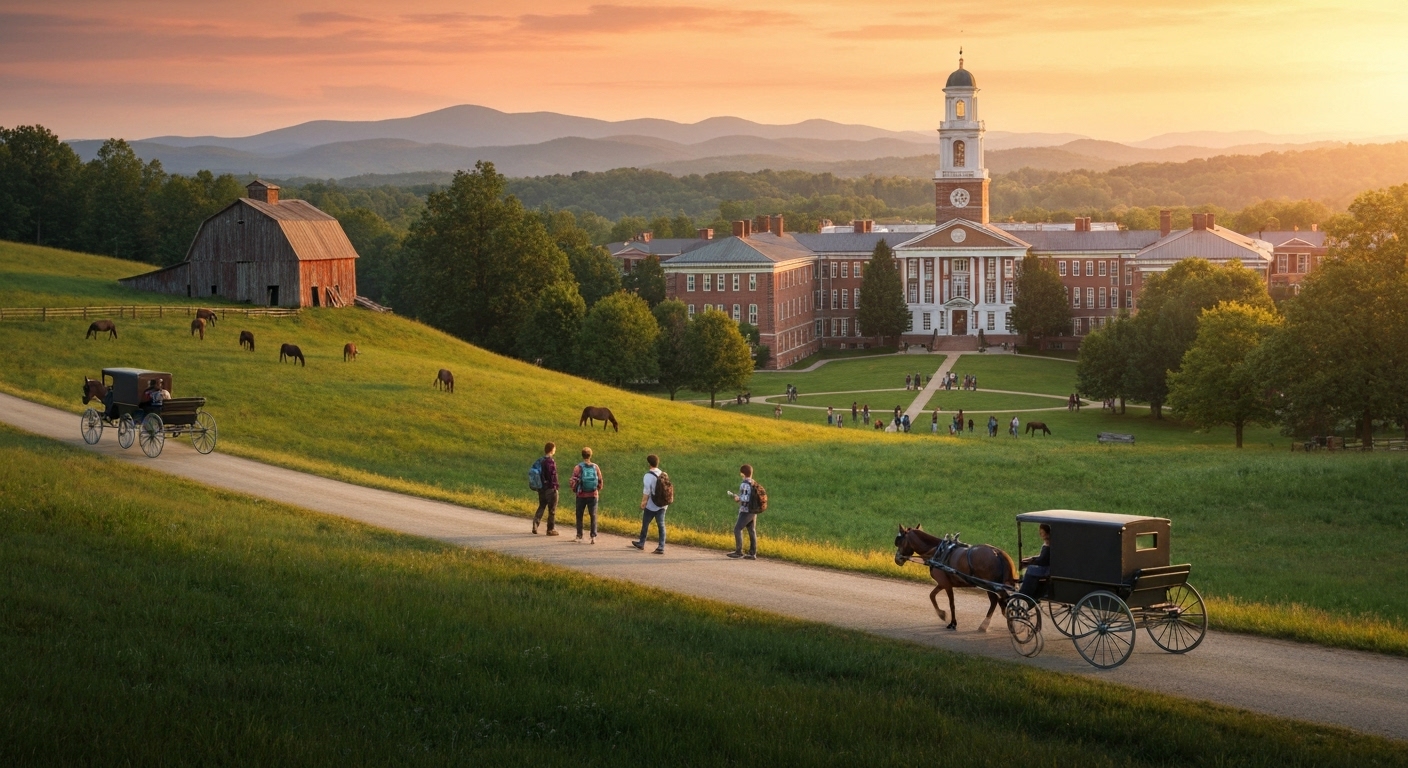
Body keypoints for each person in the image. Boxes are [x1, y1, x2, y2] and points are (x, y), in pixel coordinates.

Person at [632, 454, 668, 554]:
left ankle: (642, 543)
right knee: (661, 525)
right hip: (663, 504)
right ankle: (661, 546)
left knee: (645, 523)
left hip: (652, 505)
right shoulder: (663, 473)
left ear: (649, 464)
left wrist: (643, 502)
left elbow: (647, 491)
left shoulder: (648, 476)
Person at [569, 447, 604, 543]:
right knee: (593, 515)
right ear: (590, 455)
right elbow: (600, 480)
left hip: (581, 495)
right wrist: (597, 489)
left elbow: (573, 481)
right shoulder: (595, 467)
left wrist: (575, 490)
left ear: (582, 455)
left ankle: (579, 535)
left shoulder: (578, 467)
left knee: (579, 515)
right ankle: (593, 536)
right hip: (593, 494)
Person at [726, 464, 761, 560]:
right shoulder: (754, 483)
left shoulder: (744, 484)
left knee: (737, 529)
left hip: (746, 511)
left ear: (743, 473)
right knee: (752, 531)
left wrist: (738, 498)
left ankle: (738, 552)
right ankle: (752, 553)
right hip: (753, 510)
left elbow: (745, 498)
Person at [532, 442, 559, 536]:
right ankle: (550, 529)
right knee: (552, 510)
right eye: (554, 449)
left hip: (541, 488)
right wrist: (555, 486)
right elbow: (552, 476)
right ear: (552, 450)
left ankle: (535, 525)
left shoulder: (540, 460)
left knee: (542, 506)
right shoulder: (550, 462)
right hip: (550, 489)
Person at [1018, 524, 1052, 597]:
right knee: (1030, 567)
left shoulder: (1049, 544)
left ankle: (1024, 592)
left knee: (1030, 568)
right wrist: (1030, 559)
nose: (1040, 534)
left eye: (1042, 532)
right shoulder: (1048, 543)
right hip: (1047, 568)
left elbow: (1042, 560)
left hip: (1046, 569)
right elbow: (1041, 557)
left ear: (1047, 533)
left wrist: (1029, 562)